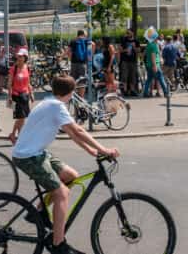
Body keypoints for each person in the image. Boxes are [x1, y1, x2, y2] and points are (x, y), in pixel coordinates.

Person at [11, 74, 120, 254]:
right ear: (71, 93)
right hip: (28, 157)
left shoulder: (50, 102)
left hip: (37, 153)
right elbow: (77, 130)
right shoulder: (56, 107)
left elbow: (72, 133)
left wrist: (91, 151)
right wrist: (104, 150)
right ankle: (58, 244)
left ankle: (37, 213)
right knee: (62, 193)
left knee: (71, 176)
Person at [7, 48, 34, 143]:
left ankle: (17, 135)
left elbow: (28, 82)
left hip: (25, 95)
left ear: (25, 58)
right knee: (20, 117)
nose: (18, 57)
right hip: (16, 95)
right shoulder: (13, 69)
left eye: (21, 56)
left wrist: (31, 93)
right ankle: (15, 134)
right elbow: (9, 84)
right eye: (18, 56)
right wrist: (9, 96)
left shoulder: (27, 68)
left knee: (23, 117)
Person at [119, 30, 139, 97]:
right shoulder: (124, 40)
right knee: (124, 76)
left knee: (132, 76)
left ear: (132, 33)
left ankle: (132, 90)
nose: (127, 34)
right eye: (127, 33)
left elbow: (138, 51)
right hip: (125, 61)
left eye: (129, 33)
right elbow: (120, 50)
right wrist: (126, 50)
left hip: (133, 61)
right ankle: (124, 91)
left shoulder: (136, 41)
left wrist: (134, 47)